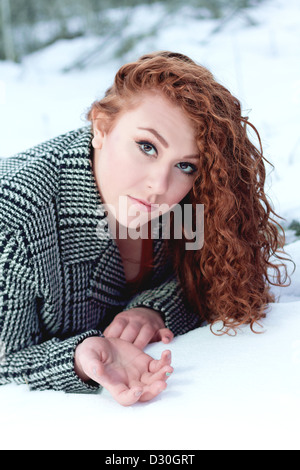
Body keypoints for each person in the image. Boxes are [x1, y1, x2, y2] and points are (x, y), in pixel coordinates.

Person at [0, 51, 289, 406]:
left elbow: (203, 275)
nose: (159, 185)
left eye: (185, 165)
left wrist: (151, 311)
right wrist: (78, 357)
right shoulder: (16, 219)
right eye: (147, 147)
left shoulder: (188, 198)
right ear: (102, 127)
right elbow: (5, 358)